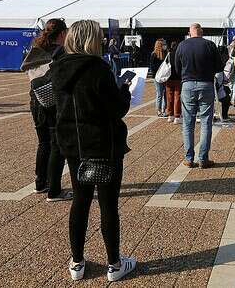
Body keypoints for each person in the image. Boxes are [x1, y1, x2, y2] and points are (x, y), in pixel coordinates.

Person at [50, 20, 136, 282]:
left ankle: (77, 262)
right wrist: (125, 92)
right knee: (108, 205)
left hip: (74, 145)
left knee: (80, 201)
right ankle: (114, 264)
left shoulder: (58, 69)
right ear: (91, 41)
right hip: (103, 145)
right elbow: (116, 109)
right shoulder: (99, 69)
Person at [21, 19, 72, 202]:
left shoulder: (35, 50)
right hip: (52, 102)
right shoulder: (59, 52)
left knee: (44, 143)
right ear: (61, 34)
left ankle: (40, 183)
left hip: (36, 100)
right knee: (57, 145)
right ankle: (54, 191)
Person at [175, 23, 224, 168]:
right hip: (206, 84)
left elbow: (177, 68)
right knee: (206, 122)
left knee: (188, 123)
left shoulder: (182, 45)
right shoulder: (210, 45)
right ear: (201, 32)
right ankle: (203, 158)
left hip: (187, 84)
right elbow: (219, 67)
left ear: (190, 32)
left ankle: (189, 158)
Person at [165, 40, 182, 124]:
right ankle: (177, 116)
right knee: (177, 97)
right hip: (178, 78)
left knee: (169, 97)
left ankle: (170, 115)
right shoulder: (179, 54)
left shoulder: (168, 54)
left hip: (168, 78)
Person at [149, 38, 167, 117]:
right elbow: (152, 67)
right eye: (163, 44)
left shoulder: (165, 53)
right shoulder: (154, 54)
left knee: (165, 94)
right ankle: (159, 110)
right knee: (159, 94)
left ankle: (164, 109)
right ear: (159, 45)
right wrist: (159, 71)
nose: (164, 46)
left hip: (164, 76)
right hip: (157, 77)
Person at [215, 45, 232, 122]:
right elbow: (224, 80)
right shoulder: (221, 66)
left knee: (227, 91)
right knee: (227, 98)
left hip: (209, 89)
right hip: (214, 91)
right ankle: (224, 115)